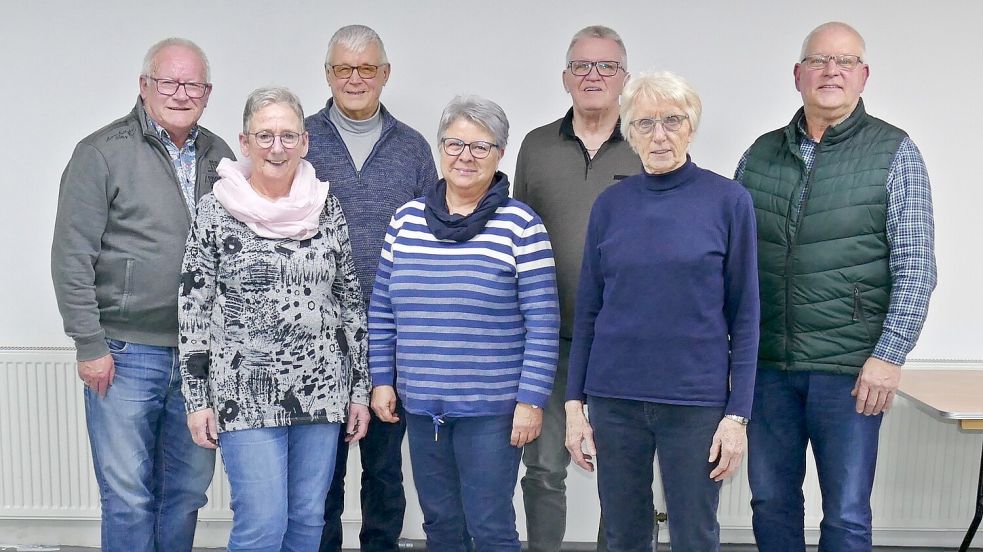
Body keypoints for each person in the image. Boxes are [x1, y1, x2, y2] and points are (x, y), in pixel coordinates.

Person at [734, 21, 936, 551]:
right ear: (797, 74)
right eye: (819, 61)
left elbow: (917, 268)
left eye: (845, 62)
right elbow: (730, 266)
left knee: (845, 512)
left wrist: (888, 357)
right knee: (769, 501)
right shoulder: (758, 156)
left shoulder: (895, 152)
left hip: (851, 373)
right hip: (767, 369)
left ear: (863, 76)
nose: (831, 71)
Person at [50, 37, 233, 552]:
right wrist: (89, 344)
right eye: (169, 82)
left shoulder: (220, 155)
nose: (180, 93)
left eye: (192, 84)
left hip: (201, 356)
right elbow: (71, 256)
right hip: (126, 352)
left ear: (207, 91)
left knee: (187, 490)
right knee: (129, 495)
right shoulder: (100, 153)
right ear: (144, 86)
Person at [565, 71, 760, 552]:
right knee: (623, 533)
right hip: (615, 399)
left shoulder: (728, 201)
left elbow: (746, 314)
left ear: (691, 127)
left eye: (672, 121)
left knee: (695, 533)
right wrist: (574, 405)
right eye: (645, 123)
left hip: (695, 402)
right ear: (629, 132)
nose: (660, 135)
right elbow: (589, 309)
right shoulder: (611, 205)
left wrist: (737, 417)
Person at [179, 86, 370, 551]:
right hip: (244, 392)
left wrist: (359, 389)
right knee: (263, 524)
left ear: (305, 142)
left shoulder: (327, 206)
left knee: (307, 521)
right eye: (265, 136)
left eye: (288, 136)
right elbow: (192, 307)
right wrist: (196, 397)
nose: (277, 147)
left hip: (322, 390)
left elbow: (350, 301)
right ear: (244, 143)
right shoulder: (216, 210)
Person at [369, 95, 560, 552]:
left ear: (499, 155)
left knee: (490, 525)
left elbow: (543, 322)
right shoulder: (406, 220)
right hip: (421, 409)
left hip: (492, 412)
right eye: (455, 144)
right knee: (440, 524)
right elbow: (381, 309)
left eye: (480, 147)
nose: (465, 157)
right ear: (439, 148)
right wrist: (381, 381)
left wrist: (531, 401)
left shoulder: (520, 225)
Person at [304, 24, 438, 552]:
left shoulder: (414, 149)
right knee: (322, 477)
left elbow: (434, 238)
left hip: (392, 342)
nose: (354, 78)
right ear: (328, 74)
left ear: (385, 74)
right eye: (343, 68)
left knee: (384, 472)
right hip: (316, 342)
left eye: (366, 68)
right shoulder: (302, 140)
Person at [512, 25, 639, 552]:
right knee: (543, 469)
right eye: (582, 66)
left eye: (606, 66)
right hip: (548, 341)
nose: (594, 76)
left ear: (624, 79)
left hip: (623, 343)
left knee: (621, 475)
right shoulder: (536, 147)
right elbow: (514, 236)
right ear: (565, 77)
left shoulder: (645, 145)